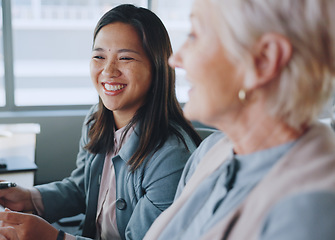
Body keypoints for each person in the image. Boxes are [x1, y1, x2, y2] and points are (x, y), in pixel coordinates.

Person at [0, 4, 201, 240]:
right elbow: (82, 189)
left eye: (125, 58)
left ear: (156, 67)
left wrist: (55, 238)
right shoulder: (96, 122)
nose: (108, 70)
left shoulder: (172, 156)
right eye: (99, 56)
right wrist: (28, 197)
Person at [143, 0, 335, 239]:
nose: (175, 59)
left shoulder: (310, 214)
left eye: (194, 35)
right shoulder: (211, 151)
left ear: (263, 60)